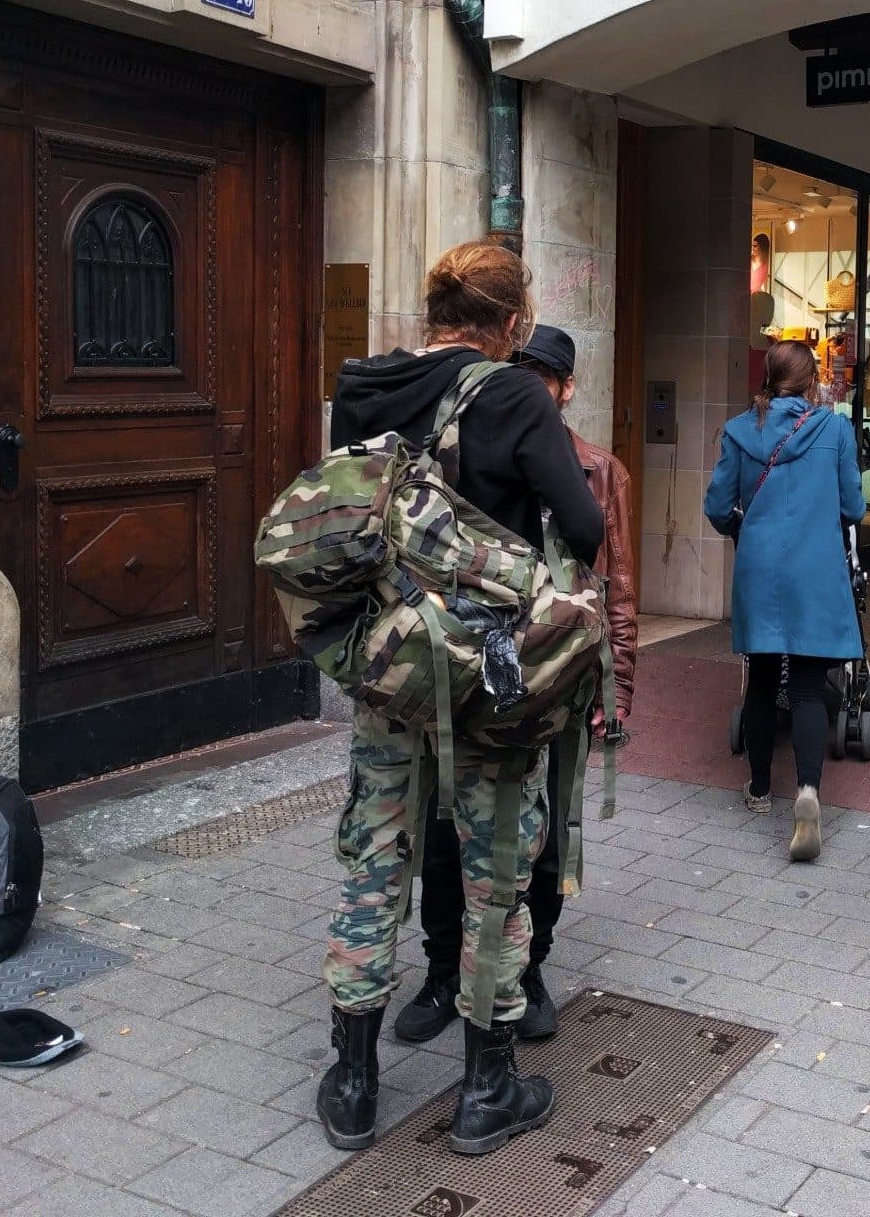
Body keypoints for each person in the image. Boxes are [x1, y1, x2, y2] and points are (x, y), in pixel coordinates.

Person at [318, 242, 604, 1155]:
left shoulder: (362, 387)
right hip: (491, 675)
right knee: (496, 876)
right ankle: (487, 1088)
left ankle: (355, 1082)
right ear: (512, 322)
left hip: (391, 667)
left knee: (373, 854)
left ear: (433, 308)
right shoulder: (516, 393)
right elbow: (588, 524)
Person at [392, 325, 636, 1052]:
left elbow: (618, 587)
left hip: (561, 672)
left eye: (543, 377)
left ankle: (526, 973)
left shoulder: (598, 470)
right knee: (442, 823)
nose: (530, 387)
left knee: (551, 834)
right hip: (471, 671)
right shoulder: (470, 444)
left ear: (565, 388)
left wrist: (618, 687)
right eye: (519, 370)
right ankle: (442, 972)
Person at [705, 340, 866, 863]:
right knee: (807, 689)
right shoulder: (836, 429)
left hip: (761, 570)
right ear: (812, 378)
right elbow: (852, 506)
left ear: (768, 378)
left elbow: (715, 505)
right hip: (816, 572)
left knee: (760, 681)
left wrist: (743, 529)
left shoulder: (739, 430)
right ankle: (808, 791)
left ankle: (756, 789)